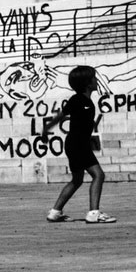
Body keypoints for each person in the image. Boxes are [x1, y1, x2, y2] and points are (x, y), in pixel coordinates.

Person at [42, 65, 115, 223]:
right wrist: (45, 129)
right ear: (88, 83)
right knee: (98, 175)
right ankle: (94, 213)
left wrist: (46, 129)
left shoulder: (84, 101)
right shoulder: (78, 100)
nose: (96, 80)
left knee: (77, 180)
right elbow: (61, 116)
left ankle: (55, 212)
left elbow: (64, 117)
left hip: (75, 143)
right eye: (94, 78)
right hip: (78, 144)